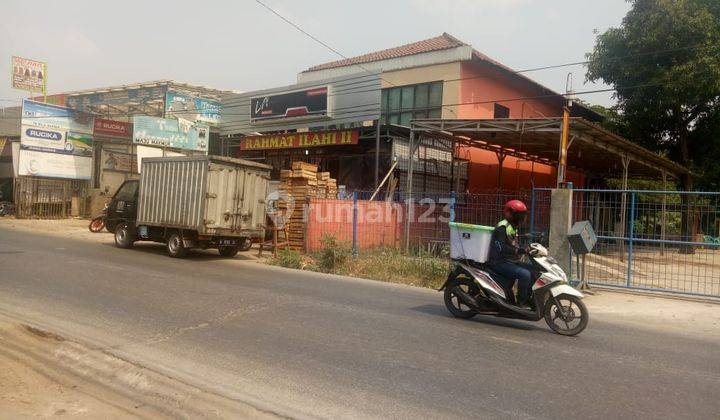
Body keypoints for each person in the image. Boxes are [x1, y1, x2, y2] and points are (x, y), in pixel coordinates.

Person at [488, 200, 534, 307]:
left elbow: (513, 243)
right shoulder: (502, 227)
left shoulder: (512, 227)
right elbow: (501, 246)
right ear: (510, 213)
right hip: (499, 262)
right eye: (518, 215)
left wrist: (526, 247)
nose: (521, 218)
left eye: (522, 216)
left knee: (533, 270)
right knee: (525, 275)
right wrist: (517, 250)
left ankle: (529, 297)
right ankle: (521, 303)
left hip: (510, 261)